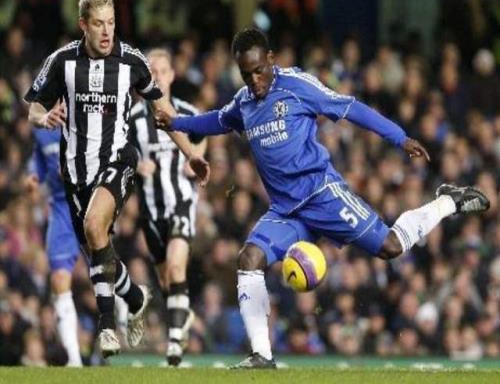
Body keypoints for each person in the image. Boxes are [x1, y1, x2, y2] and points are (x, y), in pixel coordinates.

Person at [155, 28, 490, 368]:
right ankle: (262, 355)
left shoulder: (297, 85)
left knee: (390, 247)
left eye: (259, 70)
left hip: (321, 195)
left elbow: (350, 107)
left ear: (271, 59)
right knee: (249, 259)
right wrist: (177, 123)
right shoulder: (243, 102)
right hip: (286, 212)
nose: (254, 80)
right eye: (246, 74)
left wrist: (399, 137)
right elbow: (218, 120)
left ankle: (447, 201)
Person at [24, 0, 209, 358]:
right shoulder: (61, 62)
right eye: (99, 24)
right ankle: (136, 297)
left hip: (118, 161)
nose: (107, 31)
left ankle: (108, 326)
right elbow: (33, 108)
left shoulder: (131, 61)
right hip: (76, 173)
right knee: (98, 250)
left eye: (111, 22)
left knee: (95, 226)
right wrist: (44, 118)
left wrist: (190, 153)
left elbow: (163, 113)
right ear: (84, 25)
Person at [129, 48, 206, 366]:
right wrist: (136, 165)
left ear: (172, 75)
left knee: (176, 268)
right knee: (165, 281)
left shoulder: (186, 112)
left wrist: (195, 157)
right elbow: (119, 154)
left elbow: (204, 135)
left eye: (162, 70)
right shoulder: (132, 118)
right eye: (152, 71)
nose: (157, 76)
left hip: (181, 202)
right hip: (151, 209)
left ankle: (174, 344)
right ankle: (181, 315)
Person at [24, 126, 82, 366]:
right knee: (59, 280)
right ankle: (74, 362)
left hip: (91, 203)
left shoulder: (86, 117)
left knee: (106, 275)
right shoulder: (42, 133)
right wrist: (33, 177)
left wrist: (77, 169)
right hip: (61, 209)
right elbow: (38, 161)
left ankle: (127, 311)